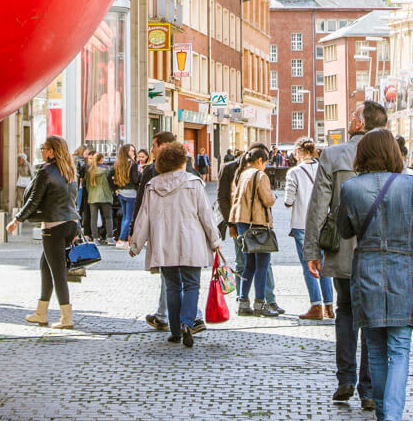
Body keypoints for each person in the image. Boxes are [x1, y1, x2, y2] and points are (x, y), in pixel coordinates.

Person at [339, 129, 413, 421]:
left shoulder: (350, 188)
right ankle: (392, 416)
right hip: (403, 271)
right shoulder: (410, 185)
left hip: (367, 271)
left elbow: (344, 231)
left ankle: (384, 414)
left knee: (375, 349)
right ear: (394, 154)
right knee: (399, 350)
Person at [305, 102, 384, 411]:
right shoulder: (389, 156)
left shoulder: (333, 155)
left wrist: (312, 249)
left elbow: (318, 206)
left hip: (342, 247)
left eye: (353, 114)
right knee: (374, 318)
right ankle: (368, 389)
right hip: (378, 249)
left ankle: (346, 378)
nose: (350, 117)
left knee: (346, 310)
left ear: (359, 123)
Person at [130, 142, 223, 347]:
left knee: (172, 286)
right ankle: (187, 322)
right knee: (192, 284)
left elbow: (143, 217)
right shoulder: (194, 183)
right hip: (191, 242)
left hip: (164, 243)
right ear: (182, 161)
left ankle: (174, 331)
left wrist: (136, 245)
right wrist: (215, 240)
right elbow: (206, 215)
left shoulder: (152, 186)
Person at [6, 136, 79, 329]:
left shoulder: (46, 171)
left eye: (44, 148)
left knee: (58, 272)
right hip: (70, 224)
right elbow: (73, 201)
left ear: (52, 151)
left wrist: (17, 220)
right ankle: (41, 312)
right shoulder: (71, 171)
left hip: (54, 227)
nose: (42, 151)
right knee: (46, 267)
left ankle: (66, 318)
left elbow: (33, 200)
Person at [229, 146, 281, 318]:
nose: (265, 166)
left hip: (243, 224)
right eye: (265, 163)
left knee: (249, 265)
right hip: (258, 225)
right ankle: (260, 304)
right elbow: (268, 200)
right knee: (262, 266)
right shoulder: (260, 175)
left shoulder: (241, 174)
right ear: (259, 161)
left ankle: (243, 302)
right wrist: (274, 197)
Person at [286, 138, 334, 320]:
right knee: (323, 265)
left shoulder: (294, 172)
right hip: (323, 222)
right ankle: (329, 306)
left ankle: (316, 306)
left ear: (298, 152)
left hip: (302, 223)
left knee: (309, 265)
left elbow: (288, 201)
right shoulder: (324, 169)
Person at [114, 144, 141, 248]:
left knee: (125, 217)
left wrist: (115, 188)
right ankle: (121, 239)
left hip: (121, 192)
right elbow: (135, 179)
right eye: (131, 151)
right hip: (131, 193)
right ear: (126, 152)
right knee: (129, 217)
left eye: (133, 151)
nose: (133, 153)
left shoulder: (118, 164)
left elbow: (109, 175)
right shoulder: (132, 164)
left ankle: (123, 239)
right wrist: (141, 174)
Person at [83, 151, 114, 243]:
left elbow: (87, 185)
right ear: (102, 159)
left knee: (93, 218)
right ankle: (110, 237)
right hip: (105, 196)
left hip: (93, 197)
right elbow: (109, 184)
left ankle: (95, 238)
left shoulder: (89, 170)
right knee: (108, 217)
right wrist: (111, 191)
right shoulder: (106, 170)